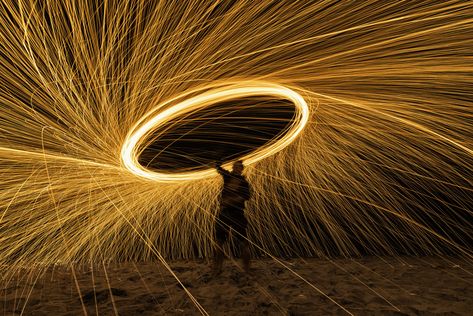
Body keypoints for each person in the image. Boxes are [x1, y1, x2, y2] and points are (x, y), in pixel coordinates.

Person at [213, 160, 252, 274]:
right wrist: (217, 161)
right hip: (225, 212)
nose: (235, 168)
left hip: (236, 213)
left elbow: (247, 196)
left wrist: (232, 200)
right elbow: (219, 169)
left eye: (238, 167)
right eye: (235, 166)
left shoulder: (244, 183)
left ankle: (247, 269)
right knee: (219, 242)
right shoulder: (228, 176)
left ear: (241, 169)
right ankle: (217, 269)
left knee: (243, 242)